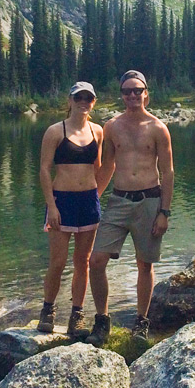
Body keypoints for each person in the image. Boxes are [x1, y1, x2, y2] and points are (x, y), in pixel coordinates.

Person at [86, 70, 174, 346]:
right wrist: (94, 199)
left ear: (146, 93)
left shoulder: (159, 128)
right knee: (96, 260)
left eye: (138, 90)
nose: (133, 95)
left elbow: (168, 172)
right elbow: (107, 165)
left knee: (144, 264)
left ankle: (141, 321)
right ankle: (102, 320)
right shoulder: (112, 127)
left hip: (150, 200)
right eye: (127, 91)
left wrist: (164, 212)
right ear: (121, 95)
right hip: (119, 200)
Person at [36, 81, 104, 337]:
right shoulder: (55, 131)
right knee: (58, 261)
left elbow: (99, 166)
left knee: (83, 262)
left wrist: (96, 195)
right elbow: (44, 169)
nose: (83, 102)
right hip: (61, 200)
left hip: (88, 202)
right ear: (70, 101)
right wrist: (51, 205)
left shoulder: (98, 131)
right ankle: (48, 309)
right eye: (79, 97)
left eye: (88, 98)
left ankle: (77, 313)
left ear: (93, 102)